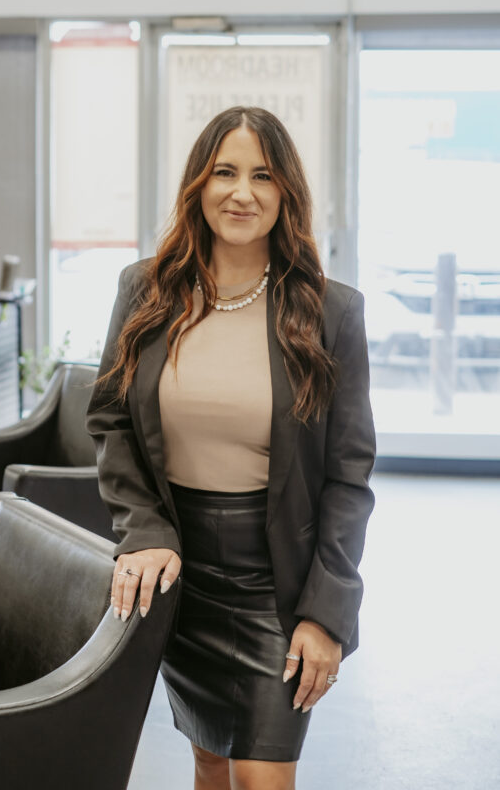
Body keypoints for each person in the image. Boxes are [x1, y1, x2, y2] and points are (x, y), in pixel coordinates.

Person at [86, 106, 376, 790]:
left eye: (262, 176)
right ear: (198, 185)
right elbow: (110, 419)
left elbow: (347, 476)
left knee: (260, 774)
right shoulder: (145, 290)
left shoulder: (331, 312)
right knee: (208, 757)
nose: (241, 192)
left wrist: (326, 613)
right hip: (177, 572)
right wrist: (144, 531)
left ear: (285, 195)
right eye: (224, 172)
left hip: (276, 581)